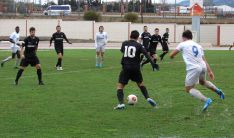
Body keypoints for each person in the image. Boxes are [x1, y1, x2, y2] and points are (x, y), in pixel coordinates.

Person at [170, 30, 224, 111]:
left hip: (193, 68)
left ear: (184, 37)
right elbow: (204, 60)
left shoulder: (183, 44)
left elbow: (172, 54)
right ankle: (218, 91)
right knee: (202, 81)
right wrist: (210, 71)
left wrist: (171, 56)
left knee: (189, 89)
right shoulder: (198, 45)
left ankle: (207, 100)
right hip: (203, 66)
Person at [114, 30, 159, 110]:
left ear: (130, 35)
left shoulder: (124, 43)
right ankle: (148, 98)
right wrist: (153, 63)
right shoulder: (139, 45)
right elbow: (146, 54)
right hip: (135, 68)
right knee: (141, 84)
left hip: (126, 67)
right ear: (138, 37)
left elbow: (122, 51)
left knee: (120, 86)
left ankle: (121, 104)